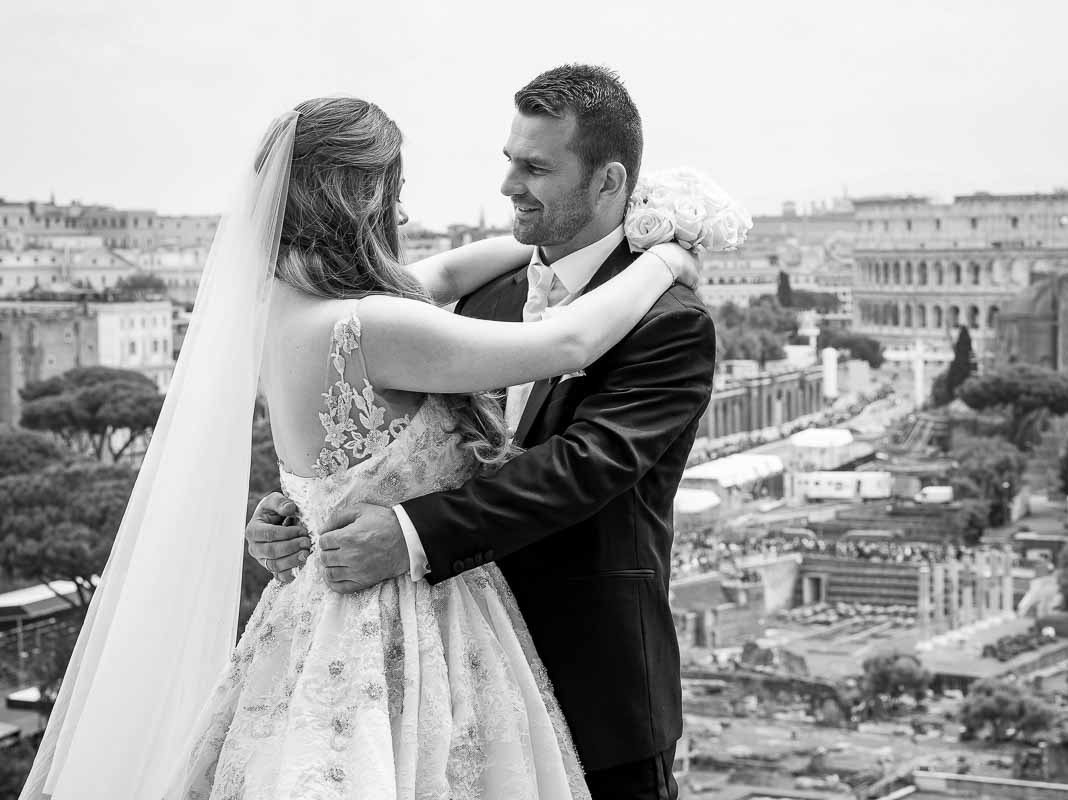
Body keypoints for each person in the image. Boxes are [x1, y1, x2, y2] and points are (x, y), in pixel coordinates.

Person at [20, 91, 701, 799]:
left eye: (533, 167)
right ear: (363, 200)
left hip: (387, 638)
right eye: (396, 194)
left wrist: (301, 515)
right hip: (411, 638)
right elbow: (565, 343)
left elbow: (447, 301)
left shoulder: (285, 305)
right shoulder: (377, 325)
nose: (406, 215)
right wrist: (663, 258)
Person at [248, 64, 716, 799]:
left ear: (608, 181)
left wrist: (407, 532)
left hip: (592, 685)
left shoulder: (671, 323)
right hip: (425, 685)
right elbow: (386, 441)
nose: (508, 186)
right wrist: (298, 513)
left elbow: (578, 469)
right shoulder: (460, 300)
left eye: (535, 168)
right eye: (509, 161)